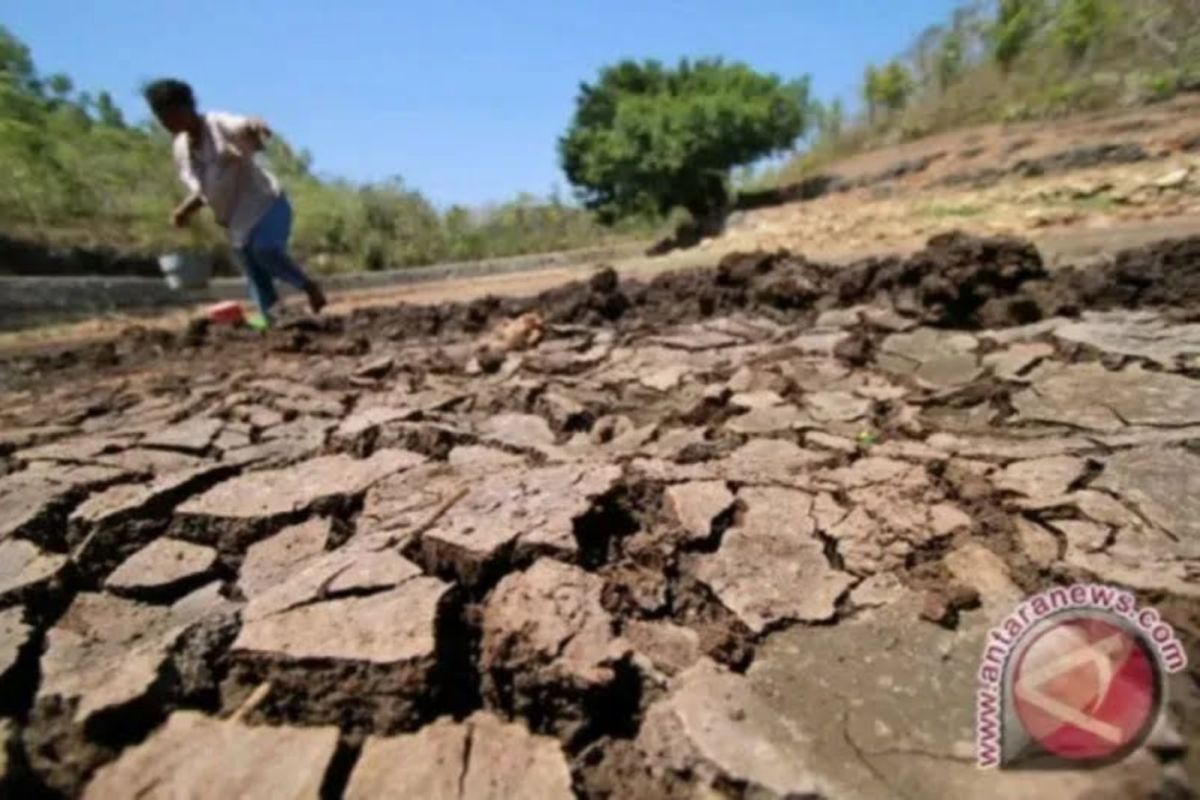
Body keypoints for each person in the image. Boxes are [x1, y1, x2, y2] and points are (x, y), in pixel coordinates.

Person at [143, 78, 326, 324]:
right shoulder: (181, 150)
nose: (167, 122)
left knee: (266, 249)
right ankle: (277, 325)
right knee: (257, 279)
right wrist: (184, 211)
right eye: (161, 116)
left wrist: (256, 126)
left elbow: (243, 125)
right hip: (236, 221)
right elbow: (205, 190)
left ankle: (309, 286)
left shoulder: (216, 124)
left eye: (171, 113)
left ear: (188, 106)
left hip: (267, 204)